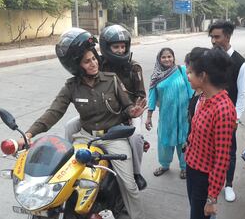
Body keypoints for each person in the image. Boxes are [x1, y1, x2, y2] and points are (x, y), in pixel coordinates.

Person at [19, 28, 146, 219]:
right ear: (77, 66)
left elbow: (127, 106)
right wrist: (29, 134)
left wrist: (133, 111)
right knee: (66, 177)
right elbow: (54, 112)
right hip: (86, 138)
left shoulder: (111, 79)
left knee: (128, 185)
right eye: (87, 61)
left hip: (113, 137)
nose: (94, 63)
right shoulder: (71, 86)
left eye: (94, 58)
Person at [64, 24, 148, 190]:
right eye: (115, 46)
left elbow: (141, 94)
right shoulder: (99, 63)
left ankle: (136, 173)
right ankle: (67, 162)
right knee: (69, 126)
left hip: (128, 112)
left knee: (136, 137)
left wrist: (132, 110)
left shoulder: (133, 67)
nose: (120, 50)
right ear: (105, 47)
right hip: (102, 110)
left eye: (123, 46)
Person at [185, 47, 237, 219]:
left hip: (204, 178)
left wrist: (211, 198)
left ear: (203, 76)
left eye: (191, 71)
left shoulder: (223, 109)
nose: (187, 74)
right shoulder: (203, 97)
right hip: (192, 167)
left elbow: (222, 159)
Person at [208, 20, 245, 202]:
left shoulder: (240, 63)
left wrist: (236, 118)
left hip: (228, 117)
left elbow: (243, 94)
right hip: (209, 113)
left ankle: (229, 184)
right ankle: (211, 180)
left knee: (229, 151)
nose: (214, 41)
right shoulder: (210, 57)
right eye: (211, 37)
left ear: (227, 36)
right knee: (210, 149)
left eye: (217, 37)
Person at [145, 47, 193, 179]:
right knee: (164, 140)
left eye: (169, 56)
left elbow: (191, 92)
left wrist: (193, 112)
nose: (167, 59)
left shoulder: (181, 70)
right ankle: (165, 165)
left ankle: (184, 167)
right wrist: (148, 117)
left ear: (173, 57)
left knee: (183, 139)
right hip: (166, 116)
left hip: (184, 115)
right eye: (164, 57)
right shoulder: (156, 76)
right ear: (159, 59)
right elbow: (152, 97)